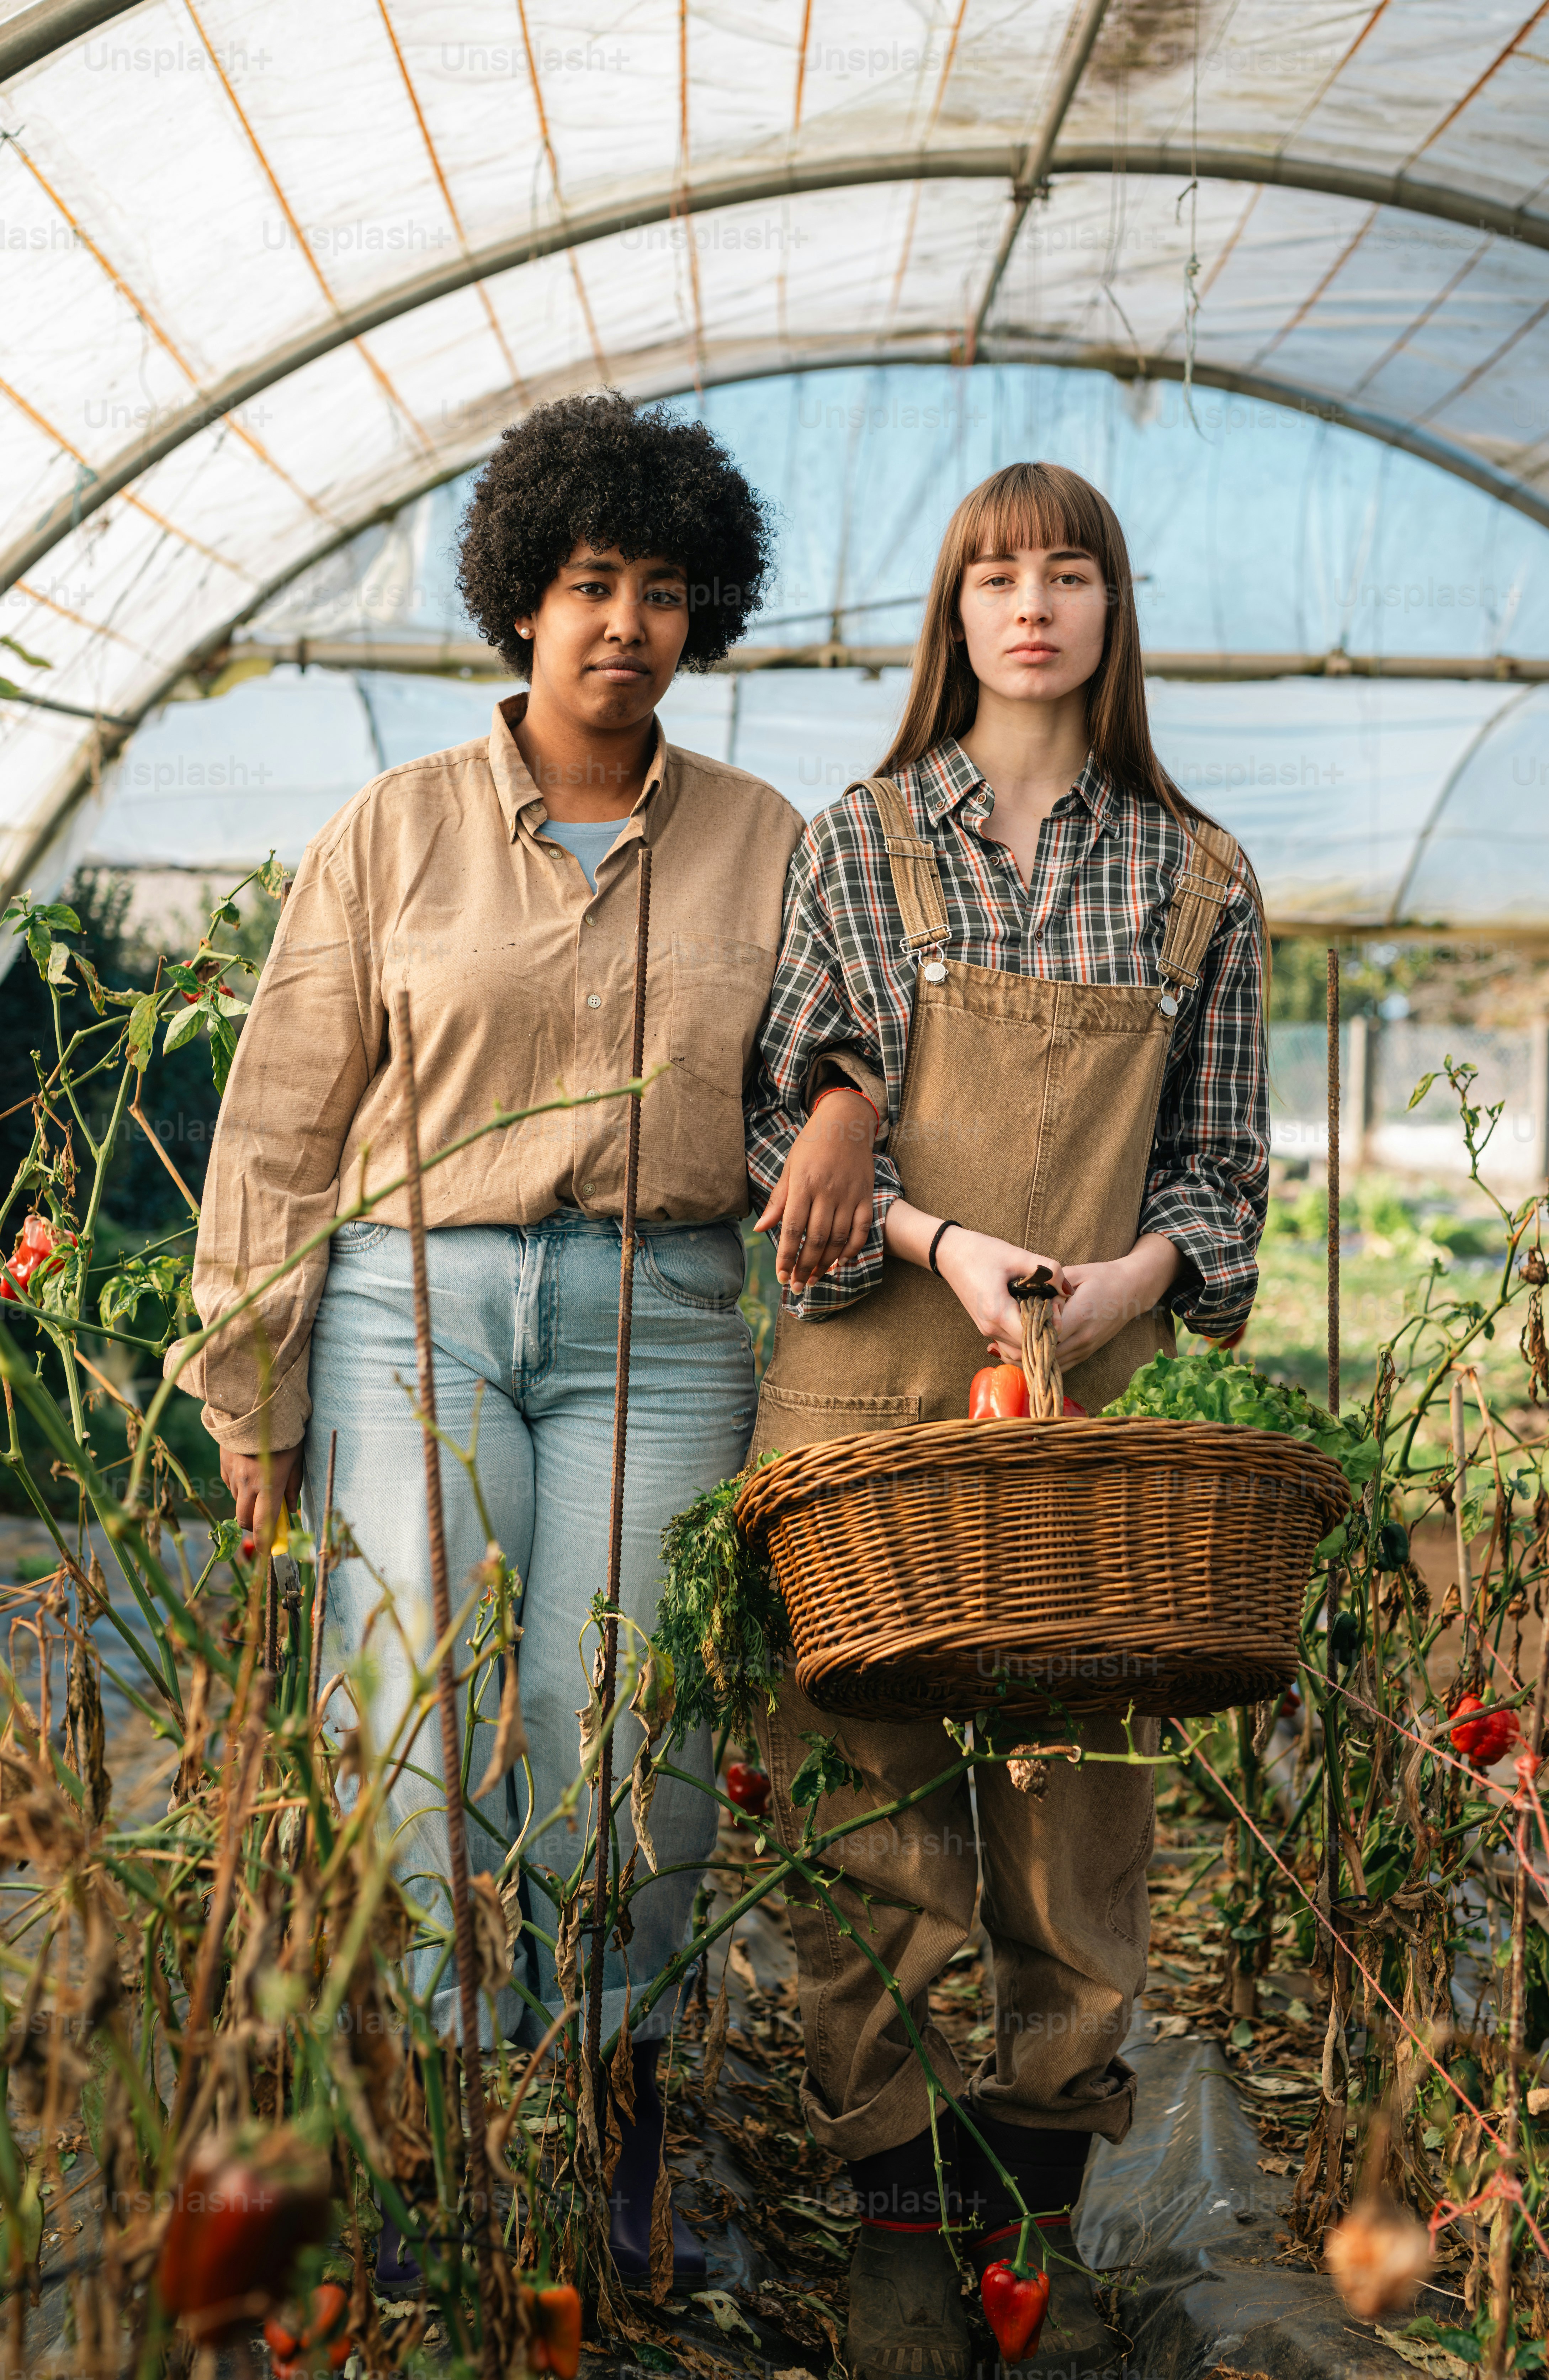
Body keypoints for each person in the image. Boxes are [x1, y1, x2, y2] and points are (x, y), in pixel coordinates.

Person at [174, 391, 805, 2282]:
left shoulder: (765, 841)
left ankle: (619, 2149)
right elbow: (282, 1123)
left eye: (665, 589)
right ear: (520, 601)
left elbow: (829, 1078)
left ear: (703, 618)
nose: (625, 622)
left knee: (630, 1737)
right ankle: (435, 2142)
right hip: (410, 1309)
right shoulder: (396, 830)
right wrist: (246, 1383)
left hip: (666, 1319)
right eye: (588, 582)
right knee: (415, 1725)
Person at [746, 461, 1269, 2378]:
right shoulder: (860, 841)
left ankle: (1027, 2222)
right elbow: (770, 1121)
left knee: (1069, 1810)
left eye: (1067, 574)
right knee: (860, 1787)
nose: (1029, 606)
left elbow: (1221, 1170)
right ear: (947, 617)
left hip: (1076, 1405)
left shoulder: (1194, 876)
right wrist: (946, 1240)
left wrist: (1123, 1287)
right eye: (991, 576)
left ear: (1111, 611)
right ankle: (896, 2210)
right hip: (871, 1366)